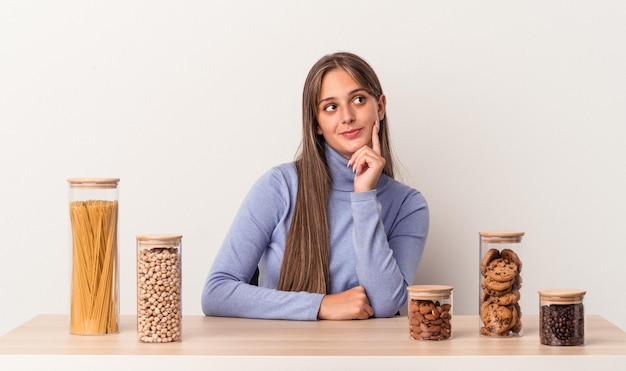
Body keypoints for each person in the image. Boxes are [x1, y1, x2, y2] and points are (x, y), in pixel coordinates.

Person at [201, 52, 429, 320]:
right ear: (317, 123)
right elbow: (216, 292)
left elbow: (385, 304)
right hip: (284, 356)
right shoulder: (279, 187)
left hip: (365, 357)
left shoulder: (408, 205)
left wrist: (364, 196)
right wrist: (321, 305)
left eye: (358, 100)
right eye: (330, 107)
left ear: (380, 106)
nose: (347, 116)